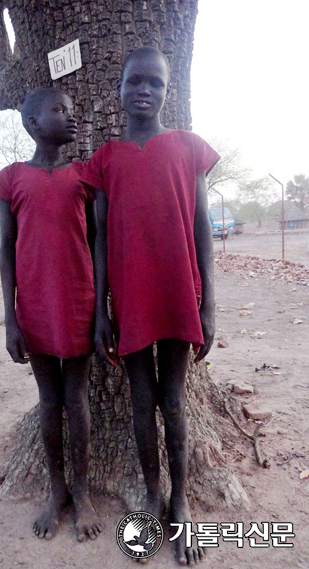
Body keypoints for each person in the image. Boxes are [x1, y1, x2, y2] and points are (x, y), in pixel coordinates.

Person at [81, 47, 220, 565]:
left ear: (168, 91)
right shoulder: (106, 159)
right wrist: (101, 312)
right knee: (141, 401)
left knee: (174, 399)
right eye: (134, 81)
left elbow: (202, 228)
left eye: (155, 83)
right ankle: (151, 492)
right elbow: (98, 237)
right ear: (118, 88)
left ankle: (180, 499)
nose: (144, 90)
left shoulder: (188, 148)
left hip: (179, 291)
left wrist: (209, 305)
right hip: (131, 297)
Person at [0, 87, 102, 543]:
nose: (70, 118)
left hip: (78, 303)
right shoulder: (12, 178)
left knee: (76, 401)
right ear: (33, 123)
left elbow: (98, 244)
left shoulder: (84, 177)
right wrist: (10, 319)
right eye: (59, 111)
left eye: (73, 110)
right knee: (49, 401)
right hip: (34, 308)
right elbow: (6, 250)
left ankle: (83, 491)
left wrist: (101, 313)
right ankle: (56, 491)